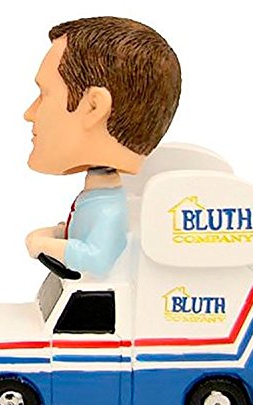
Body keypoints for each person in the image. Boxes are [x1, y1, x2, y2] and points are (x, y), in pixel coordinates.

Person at [24, 17, 182, 276]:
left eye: (44, 94)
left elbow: (98, 259)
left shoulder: (109, 209)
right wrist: (59, 233)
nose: (29, 113)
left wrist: (44, 244)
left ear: (94, 107)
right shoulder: (101, 199)